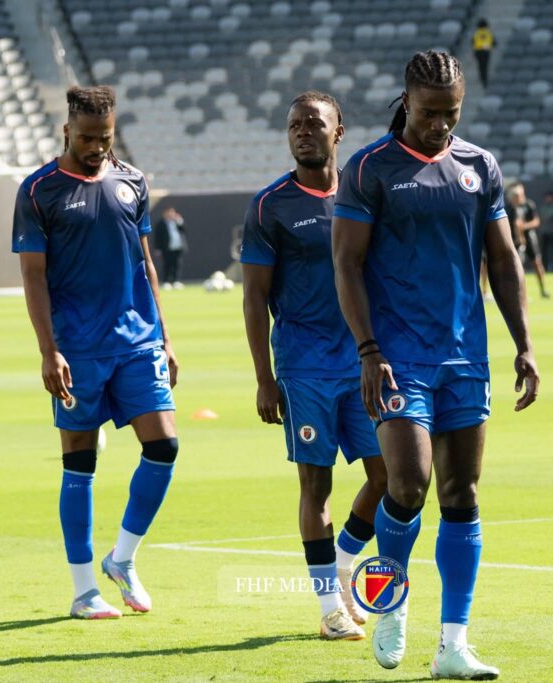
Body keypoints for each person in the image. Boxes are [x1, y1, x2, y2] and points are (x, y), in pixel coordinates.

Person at [332, 50, 539, 680]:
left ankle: (453, 644)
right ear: (406, 103)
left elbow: (502, 261)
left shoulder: (480, 167)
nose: (440, 126)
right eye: (429, 113)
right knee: (408, 482)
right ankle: (389, 602)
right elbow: (346, 263)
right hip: (396, 360)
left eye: (451, 114)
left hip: (463, 358)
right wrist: (367, 351)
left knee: (462, 493)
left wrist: (524, 344)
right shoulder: (369, 169)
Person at [13, 85, 180, 620]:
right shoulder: (39, 191)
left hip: (137, 342)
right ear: (67, 131)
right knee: (80, 463)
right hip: (78, 348)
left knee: (165, 447)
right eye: (86, 139)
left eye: (104, 139)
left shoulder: (132, 182)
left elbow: (146, 264)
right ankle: (84, 590)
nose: (96, 149)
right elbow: (33, 277)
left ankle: (122, 558)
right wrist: (48, 350)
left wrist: (165, 336)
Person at [241, 91, 388, 642]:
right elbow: (254, 298)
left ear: (339, 130)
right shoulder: (268, 205)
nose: (303, 131)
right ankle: (330, 608)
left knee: (391, 475)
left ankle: (346, 557)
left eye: (314, 123)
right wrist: (264, 376)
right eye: (295, 125)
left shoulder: (364, 193)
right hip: (304, 367)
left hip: (364, 361)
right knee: (316, 485)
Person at [509, 183, 550, 298]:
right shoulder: (510, 208)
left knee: (537, 262)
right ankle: (518, 292)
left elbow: (536, 221)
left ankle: (543, 289)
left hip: (529, 238)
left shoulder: (528, 205)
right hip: (516, 240)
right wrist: (517, 236)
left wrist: (524, 227)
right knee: (516, 266)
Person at [154, 206, 186, 289]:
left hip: (178, 247)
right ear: (165, 213)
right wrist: (158, 248)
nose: (171, 214)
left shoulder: (177, 222)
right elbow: (157, 237)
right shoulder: (161, 224)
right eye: (169, 212)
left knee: (177, 264)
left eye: (172, 212)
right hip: (167, 248)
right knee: (167, 265)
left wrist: (179, 221)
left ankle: (176, 281)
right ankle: (166, 282)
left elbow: (183, 230)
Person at [538, 191, 553, 272]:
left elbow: (548, 216)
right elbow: (541, 216)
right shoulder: (544, 207)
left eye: (550, 197)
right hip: (544, 232)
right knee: (544, 252)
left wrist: (543, 219)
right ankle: (544, 268)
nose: (548, 199)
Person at [471, 20, 496, 89]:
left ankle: (481, 78)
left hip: (478, 52)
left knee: (480, 65)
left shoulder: (476, 33)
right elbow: (494, 42)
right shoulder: (488, 33)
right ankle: (485, 80)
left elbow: (472, 42)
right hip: (486, 52)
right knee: (485, 66)